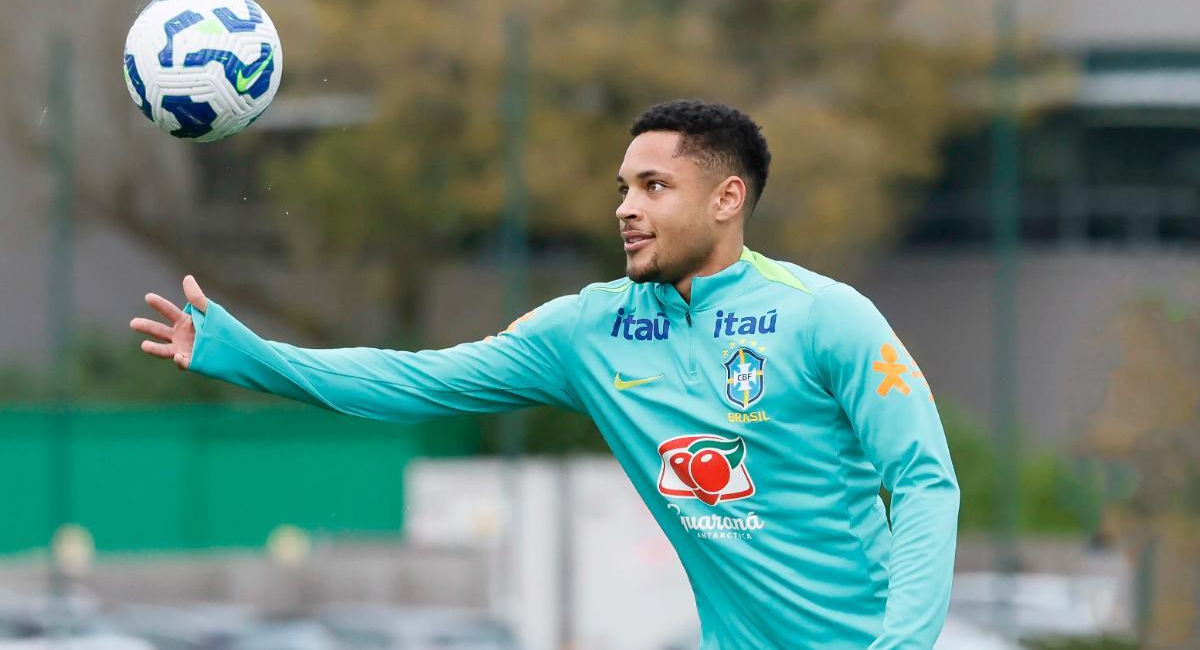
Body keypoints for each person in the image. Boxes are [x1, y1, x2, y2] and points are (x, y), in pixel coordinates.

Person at [131, 100, 959, 649]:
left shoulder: (826, 316)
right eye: (623, 187)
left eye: (654, 186)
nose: (625, 207)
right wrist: (250, 357)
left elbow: (923, 480)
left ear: (727, 199)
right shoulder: (589, 329)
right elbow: (418, 379)